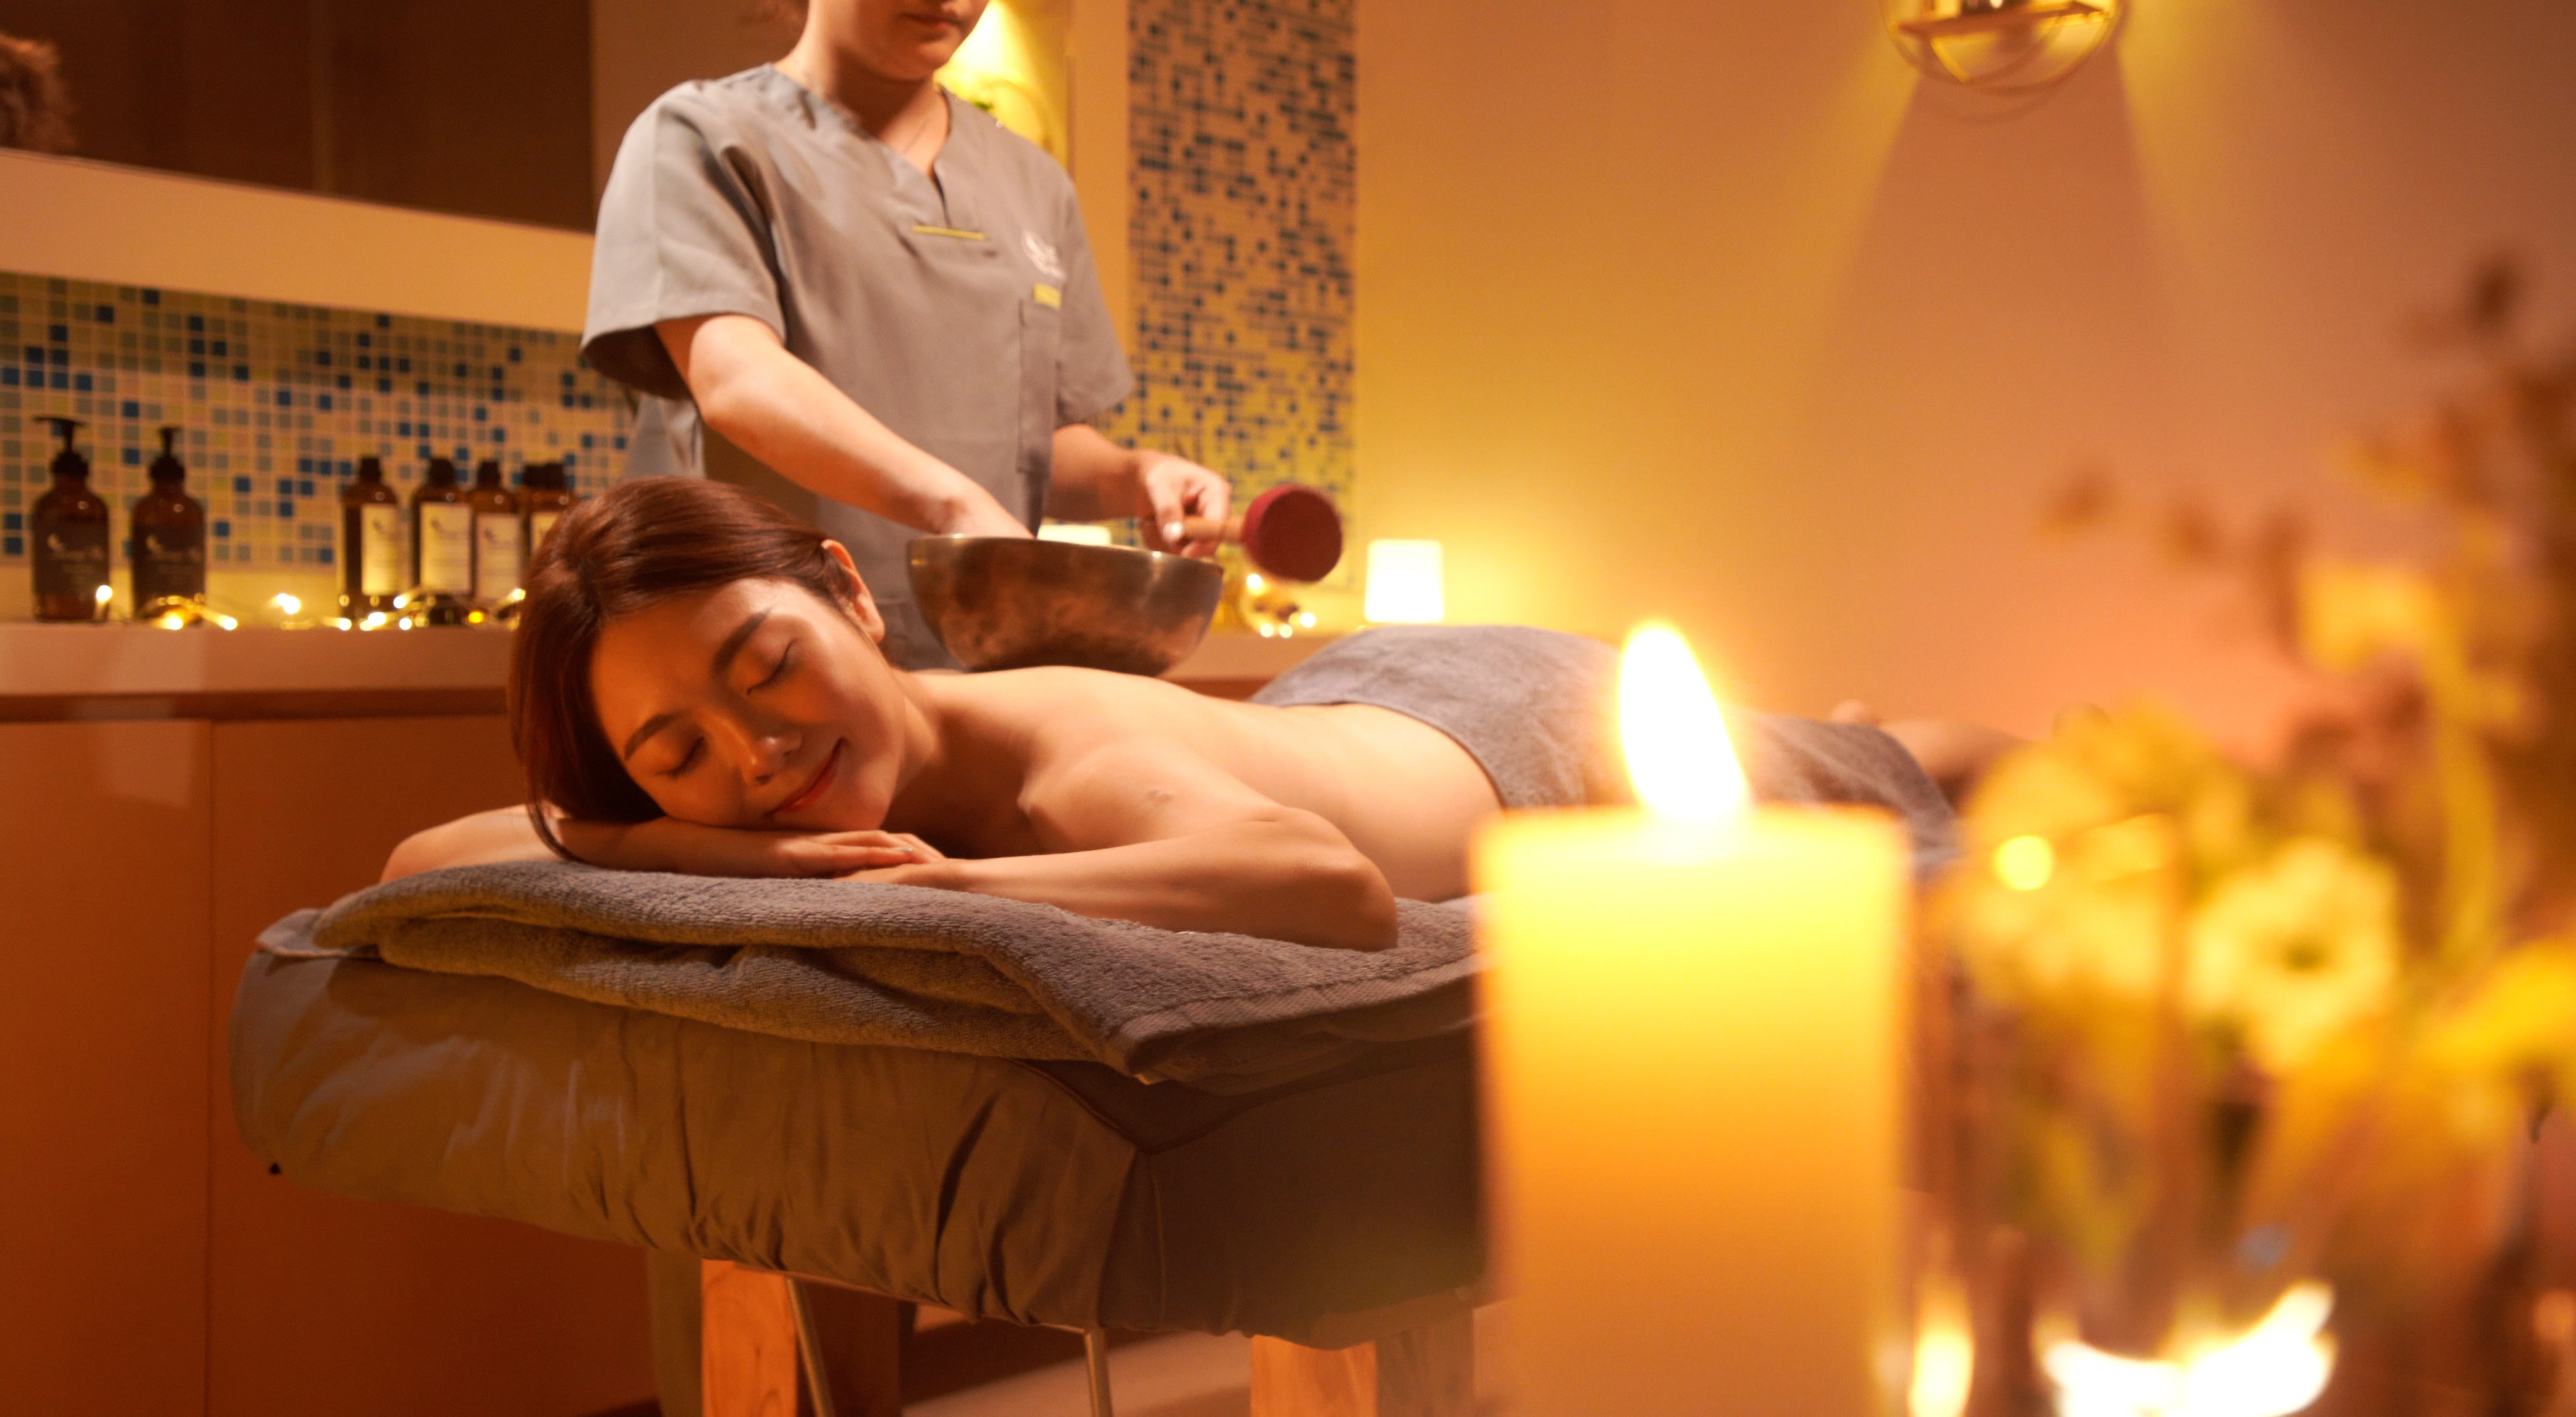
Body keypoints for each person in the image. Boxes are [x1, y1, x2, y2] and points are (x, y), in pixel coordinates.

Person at [386, 480, 2005, 951]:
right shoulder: (756, 802)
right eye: (675, 751)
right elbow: (420, 859)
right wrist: (692, 844)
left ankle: (1949, 733)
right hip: (1342, 703)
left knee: (1896, 773)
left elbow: (1326, 885)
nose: (755, 751)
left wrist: (936, 889)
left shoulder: (1073, 767)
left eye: (763, 664)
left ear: (850, 594)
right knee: (1810, 740)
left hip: (1526, 730)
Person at [585, 0, 1230, 669]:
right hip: (765, 659)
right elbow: (737, 380)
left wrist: (1136, 477)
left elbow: (1038, 441)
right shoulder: (700, 135)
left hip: (988, 665)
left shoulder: (1034, 184)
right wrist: (955, 507)